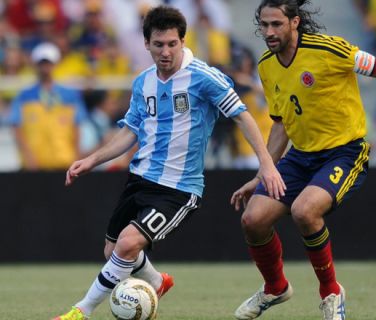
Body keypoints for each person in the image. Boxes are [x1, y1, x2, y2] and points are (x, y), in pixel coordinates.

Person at [230, 1, 376, 320]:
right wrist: (263, 173)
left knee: (304, 211)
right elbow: (281, 122)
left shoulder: (330, 50)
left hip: (344, 151)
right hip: (301, 156)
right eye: (264, 25)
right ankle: (275, 287)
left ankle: (331, 293)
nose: (269, 32)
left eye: (276, 24)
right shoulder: (266, 65)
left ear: (294, 22)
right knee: (253, 220)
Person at [53, 5, 285, 320]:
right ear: (146, 44)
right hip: (139, 179)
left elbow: (242, 116)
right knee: (113, 253)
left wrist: (267, 165)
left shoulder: (203, 77)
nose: (166, 52)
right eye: (159, 44)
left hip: (179, 188)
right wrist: (91, 159)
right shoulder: (143, 82)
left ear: (183, 42)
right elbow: (130, 132)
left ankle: (81, 310)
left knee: (127, 244)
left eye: (172, 44)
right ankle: (155, 281)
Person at [9, 42, 88, 170]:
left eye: (48, 62)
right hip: (34, 164)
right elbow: (16, 127)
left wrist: (77, 156)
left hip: (64, 161)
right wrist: (28, 155)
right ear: (35, 65)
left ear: (55, 64)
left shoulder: (70, 95)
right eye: (42, 63)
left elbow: (77, 128)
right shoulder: (24, 95)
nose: (45, 67)